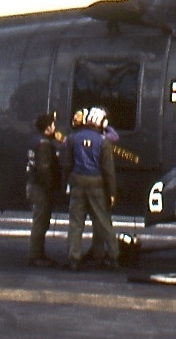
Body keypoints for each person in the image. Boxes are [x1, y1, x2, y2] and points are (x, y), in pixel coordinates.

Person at [62, 106, 119, 271]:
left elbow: (67, 164)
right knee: (103, 221)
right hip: (97, 184)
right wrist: (112, 192)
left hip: (77, 182)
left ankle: (74, 258)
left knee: (76, 222)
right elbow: (108, 170)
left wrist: (66, 182)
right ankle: (114, 256)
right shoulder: (103, 141)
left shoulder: (73, 138)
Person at [25, 112, 63, 267]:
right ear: (48, 128)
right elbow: (44, 168)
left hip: (33, 184)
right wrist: (51, 186)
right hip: (41, 188)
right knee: (40, 222)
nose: (55, 127)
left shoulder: (35, 141)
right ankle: (35, 255)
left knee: (39, 221)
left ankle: (38, 254)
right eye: (53, 125)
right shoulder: (45, 145)